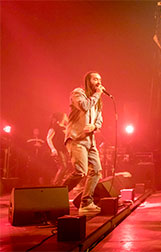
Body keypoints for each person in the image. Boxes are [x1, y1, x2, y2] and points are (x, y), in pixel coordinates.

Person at [62, 71, 105, 213]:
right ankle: (56, 196)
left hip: (90, 141)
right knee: (80, 172)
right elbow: (84, 106)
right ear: (88, 81)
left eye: (99, 79)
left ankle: (86, 203)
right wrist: (97, 94)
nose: (98, 81)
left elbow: (99, 119)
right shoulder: (78, 93)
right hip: (76, 139)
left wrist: (95, 126)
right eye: (95, 79)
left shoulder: (96, 100)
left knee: (97, 171)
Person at [47, 112, 70, 185]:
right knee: (63, 167)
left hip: (64, 150)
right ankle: (55, 184)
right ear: (62, 118)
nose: (67, 117)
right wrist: (52, 149)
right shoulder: (55, 126)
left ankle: (60, 184)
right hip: (58, 149)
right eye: (65, 116)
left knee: (66, 168)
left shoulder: (66, 127)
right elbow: (48, 138)